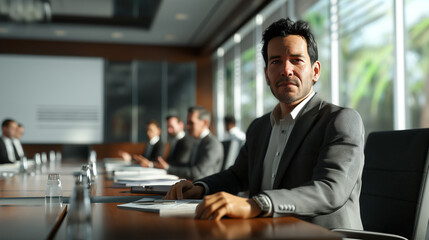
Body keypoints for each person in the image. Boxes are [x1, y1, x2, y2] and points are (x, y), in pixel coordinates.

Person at [165, 18, 365, 231]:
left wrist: (257, 204)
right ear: (267, 75)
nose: (286, 70)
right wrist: (200, 187)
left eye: (296, 60)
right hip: (267, 231)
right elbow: (237, 176)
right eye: (276, 61)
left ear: (315, 71)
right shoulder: (259, 127)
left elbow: (330, 190)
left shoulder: (341, 120)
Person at [142, 106, 223, 181]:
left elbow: (197, 173)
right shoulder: (197, 141)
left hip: (204, 192)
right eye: (187, 123)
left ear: (205, 123)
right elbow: (188, 166)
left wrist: (168, 168)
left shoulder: (212, 144)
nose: (187, 127)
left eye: (191, 123)